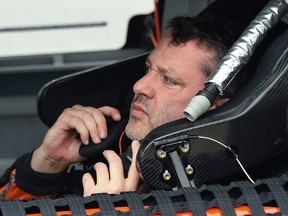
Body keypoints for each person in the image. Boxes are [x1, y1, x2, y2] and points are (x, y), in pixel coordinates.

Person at [0, 15, 243, 200]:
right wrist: (47, 165)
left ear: (214, 106)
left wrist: (109, 209)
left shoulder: (234, 188)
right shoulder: (106, 141)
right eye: (149, 69)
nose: (139, 86)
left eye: (169, 80)